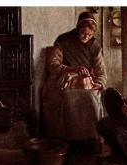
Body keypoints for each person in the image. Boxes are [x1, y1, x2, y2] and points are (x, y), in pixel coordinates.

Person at [41, 12, 107, 153]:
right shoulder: (64, 40)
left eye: (89, 35)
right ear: (78, 28)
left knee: (92, 97)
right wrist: (73, 69)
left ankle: (90, 140)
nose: (86, 37)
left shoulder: (94, 46)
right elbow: (53, 65)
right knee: (67, 98)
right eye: (83, 34)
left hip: (86, 80)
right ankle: (69, 142)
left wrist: (99, 83)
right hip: (65, 77)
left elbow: (101, 71)